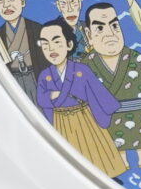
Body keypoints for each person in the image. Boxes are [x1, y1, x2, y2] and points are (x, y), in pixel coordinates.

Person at [30, 16, 123, 176]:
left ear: (69, 44)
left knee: (95, 151)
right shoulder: (45, 75)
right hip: (60, 121)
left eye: (57, 42)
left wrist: (107, 111)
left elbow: (98, 92)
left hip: (84, 118)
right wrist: (52, 95)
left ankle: (106, 175)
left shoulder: (81, 70)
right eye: (45, 44)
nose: (51, 49)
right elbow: (41, 100)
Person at [83, 0, 141, 169]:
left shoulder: (137, 59)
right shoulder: (86, 66)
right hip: (110, 120)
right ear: (89, 35)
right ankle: (120, 163)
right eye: (100, 28)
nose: (110, 34)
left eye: (114, 26)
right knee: (116, 153)